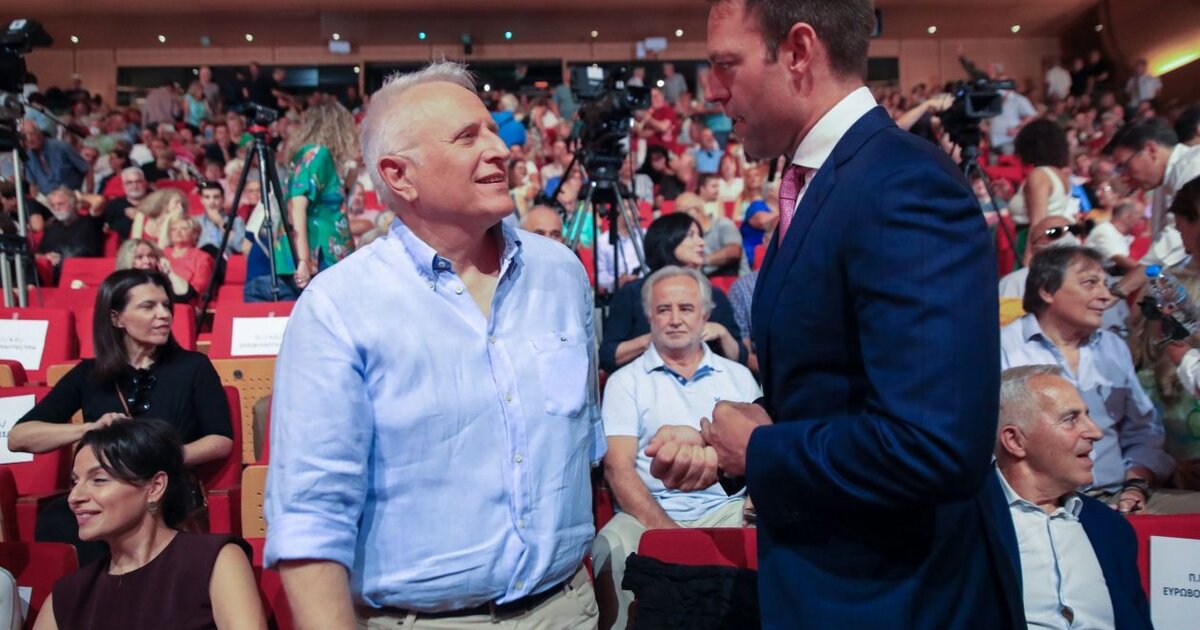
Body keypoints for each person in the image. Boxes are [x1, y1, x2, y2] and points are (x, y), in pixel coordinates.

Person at [647, 0, 1011, 625]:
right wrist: (734, 443)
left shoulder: (901, 184)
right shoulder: (825, 178)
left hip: (903, 598)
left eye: (726, 64)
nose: (712, 90)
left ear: (797, 51)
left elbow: (934, 444)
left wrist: (761, 449)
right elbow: (843, 387)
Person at [265, 61, 602, 629]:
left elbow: (585, 445)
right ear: (399, 176)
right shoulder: (337, 306)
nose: (500, 149)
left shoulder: (562, 273)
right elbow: (310, 517)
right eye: (468, 137)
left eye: (492, 129)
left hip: (565, 608)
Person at [8, 269, 233, 565]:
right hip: (103, 493)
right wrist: (90, 429)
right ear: (116, 318)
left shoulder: (194, 366)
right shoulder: (89, 373)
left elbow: (221, 440)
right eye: (148, 306)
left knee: (123, 517)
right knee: (60, 518)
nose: (164, 315)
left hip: (162, 491)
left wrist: (156, 458)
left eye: (166, 305)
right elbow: (18, 438)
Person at [592, 266, 759, 630]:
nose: (675, 319)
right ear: (649, 317)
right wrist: (669, 533)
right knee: (608, 546)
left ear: (705, 315)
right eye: (663, 309)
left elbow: (758, 457)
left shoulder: (738, 376)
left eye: (686, 308)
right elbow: (618, 468)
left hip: (726, 509)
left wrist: (751, 507)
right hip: (647, 512)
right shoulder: (625, 382)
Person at [1001, 246, 1200, 514]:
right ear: (1047, 290)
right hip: (1037, 505)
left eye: (1106, 284)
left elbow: (1143, 430)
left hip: (1122, 494)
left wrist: (1136, 485)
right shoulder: (1004, 349)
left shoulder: (1112, 347)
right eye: (1090, 283)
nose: (1106, 296)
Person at [34, 418, 265, 630]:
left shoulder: (214, 560)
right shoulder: (68, 596)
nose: (74, 497)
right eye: (74, 482)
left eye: (99, 480)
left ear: (155, 487)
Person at [983, 366, 1153, 629]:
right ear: (1015, 441)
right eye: (1071, 419)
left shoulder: (1111, 528)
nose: (1096, 432)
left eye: (1087, 415)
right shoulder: (964, 522)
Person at [600, 213, 746, 373]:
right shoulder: (632, 293)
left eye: (700, 235)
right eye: (691, 235)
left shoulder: (714, 295)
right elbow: (608, 356)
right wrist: (655, 338)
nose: (701, 242)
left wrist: (722, 333)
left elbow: (740, 358)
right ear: (668, 240)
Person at [282, 98, 358, 288]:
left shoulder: (307, 155)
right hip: (322, 253)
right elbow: (297, 205)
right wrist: (303, 259)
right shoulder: (317, 154)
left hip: (328, 252)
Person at [1008, 120, 1078, 250]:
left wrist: (1029, 260)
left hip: (1033, 245)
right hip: (1054, 242)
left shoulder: (1038, 175)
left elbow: (1037, 225)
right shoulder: (1058, 174)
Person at [37, 187, 105, 281]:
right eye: (53, 205)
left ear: (72, 204)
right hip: (58, 278)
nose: (56, 208)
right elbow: (38, 254)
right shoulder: (51, 229)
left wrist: (80, 196)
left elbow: (99, 200)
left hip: (86, 274)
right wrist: (46, 257)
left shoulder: (90, 221)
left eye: (60, 204)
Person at [20, 119, 88, 195]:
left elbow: (86, 169)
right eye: (24, 136)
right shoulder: (27, 157)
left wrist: (88, 193)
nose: (29, 139)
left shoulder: (61, 147)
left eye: (32, 134)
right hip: (47, 199)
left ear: (40, 132)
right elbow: (33, 185)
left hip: (72, 196)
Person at [115, 238, 195, 302]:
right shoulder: (120, 285)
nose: (147, 261)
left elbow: (186, 295)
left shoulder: (160, 282)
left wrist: (169, 271)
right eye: (139, 257)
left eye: (151, 256)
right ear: (128, 259)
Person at [164, 215, 215, 300]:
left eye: (184, 228)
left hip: (189, 301)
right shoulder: (162, 254)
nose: (178, 232)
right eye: (173, 229)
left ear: (195, 234)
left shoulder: (202, 258)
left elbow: (200, 289)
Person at [1085, 199, 1142, 273]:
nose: (1142, 223)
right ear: (1128, 217)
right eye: (1141, 218)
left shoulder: (1128, 236)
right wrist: (1150, 271)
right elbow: (1121, 260)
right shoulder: (1105, 230)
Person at [195, 181, 246, 257]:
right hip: (201, 261)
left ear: (223, 199)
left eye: (216, 197)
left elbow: (241, 247)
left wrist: (221, 223)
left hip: (225, 261)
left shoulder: (236, 221)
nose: (212, 201)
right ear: (201, 200)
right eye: (207, 197)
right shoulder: (196, 222)